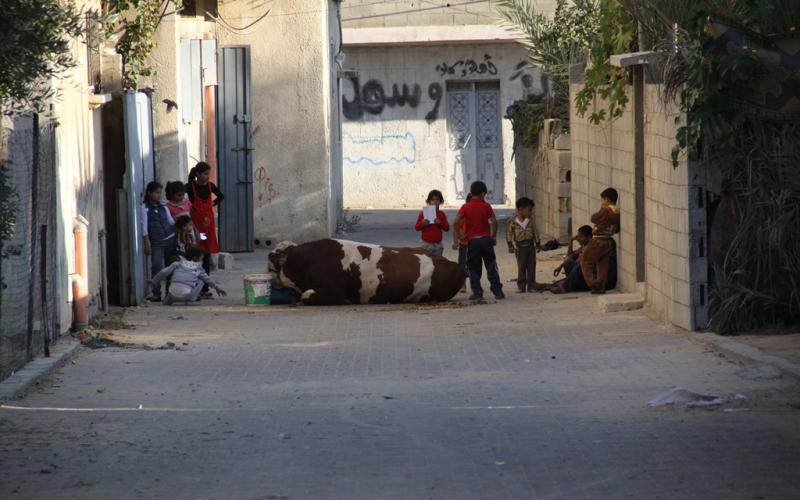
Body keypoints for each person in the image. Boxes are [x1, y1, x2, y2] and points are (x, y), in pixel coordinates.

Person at [452, 181, 504, 301]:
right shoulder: (486, 206)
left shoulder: (466, 207)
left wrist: (459, 237)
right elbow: (494, 222)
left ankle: (477, 292)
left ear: (471, 193)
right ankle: (497, 291)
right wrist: (493, 236)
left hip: (473, 241)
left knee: (474, 267)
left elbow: (455, 222)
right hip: (486, 239)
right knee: (491, 265)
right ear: (483, 193)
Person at [186, 162, 224, 298]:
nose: (208, 176)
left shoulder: (210, 186)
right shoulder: (191, 187)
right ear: (197, 174)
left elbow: (221, 196)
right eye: (205, 173)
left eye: (208, 173)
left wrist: (213, 204)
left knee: (206, 256)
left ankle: (205, 288)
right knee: (197, 255)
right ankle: (195, 285)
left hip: (208, 229)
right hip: (197, 229)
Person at [149, 246, 226, 305]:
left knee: (175, 279)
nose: (201, 260)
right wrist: (217, 288)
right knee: (201, 280)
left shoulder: (177, 264)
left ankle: (169, 298)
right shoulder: (198, 267)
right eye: (201, 258)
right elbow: (208, 279)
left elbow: (163, 272)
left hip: (172, 293)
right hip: (187, 296)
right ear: (195, 258)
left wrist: (153, 281)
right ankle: (193, 298)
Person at [581, 187, 620, 294]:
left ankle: (593, 283)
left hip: (598, 240)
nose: (602, 202)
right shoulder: (617, 212)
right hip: (608, 241)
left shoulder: (606, 210)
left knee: (585, 261)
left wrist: (602, 209)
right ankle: (601, 287)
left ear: (607, 200)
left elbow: (593, 218)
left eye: (603, 200)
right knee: (602, 265)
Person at [142, 181, 175, 302]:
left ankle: (169, 292)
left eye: (160, 193)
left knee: (170, 267)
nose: (159, 195)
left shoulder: (164, 208)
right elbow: (144, 227)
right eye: (156, 192)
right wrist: (147, 243)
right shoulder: (145, 208)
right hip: (156, 241)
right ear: (149, 193)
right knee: (156, 266)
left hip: (170, 240)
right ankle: (156, 293)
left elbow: (171, 222)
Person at [506, 197, 541, 293]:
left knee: (531, 266)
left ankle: (531, 285)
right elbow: (509, 233)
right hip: (520, 247)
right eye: (529, 210)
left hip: (530, 246)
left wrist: (538, 243)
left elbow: (535, 232)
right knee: (521, 267)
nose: (530, 212)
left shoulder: (531, 221)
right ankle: (521, 285)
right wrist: (510, 245)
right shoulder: (513, 222)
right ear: (521, 209)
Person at [415, 189, 449, 256]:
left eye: (437, 200)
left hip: (438, 245)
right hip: (426, 244)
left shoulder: (441, 214)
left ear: (441, 201)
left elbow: (447, 228)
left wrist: (440, 223)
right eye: (432, 200)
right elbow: (416, 228)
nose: (434, 202)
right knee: (426, 264)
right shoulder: (423, 213)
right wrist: (422, 223)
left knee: (438, 264)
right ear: (428, 201)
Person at [451, 193, 472, 293]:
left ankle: (475, 283)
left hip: (475, 243)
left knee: (474, 264)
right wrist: (458, 239)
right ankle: (463, 285)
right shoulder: (462, 216)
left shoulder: (478, 214)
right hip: (464, 243)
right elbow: (456, 227)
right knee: (462, 265)